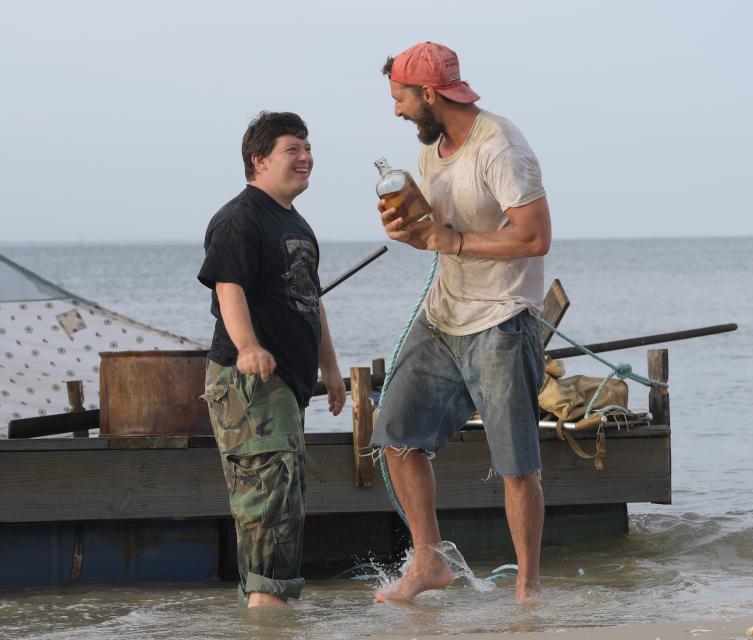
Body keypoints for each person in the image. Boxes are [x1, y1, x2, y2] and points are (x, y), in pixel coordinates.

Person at [371, 41, 552, 603]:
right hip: (443, 317)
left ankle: (527, 588)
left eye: (400, 98)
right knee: (395, 434)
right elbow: (438, 229)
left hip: (502, 321)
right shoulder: (431, 150)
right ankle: (428, 561)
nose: (396, 111)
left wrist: (452, 240)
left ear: (428, 94)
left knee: (516, 466)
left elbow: (535, 237)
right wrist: (412, 228)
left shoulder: (501, 147)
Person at [197, 111, 346, 607]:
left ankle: (274, 604)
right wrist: (248, 347)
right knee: (266, 494)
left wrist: (331, 369)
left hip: (287, 383)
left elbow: (311, 299)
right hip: (250, 383)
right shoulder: (241, 217)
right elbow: (227, 286)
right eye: (292, 150)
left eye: (307, 148)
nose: (306, 158)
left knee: (286, 493)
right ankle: (266, 607)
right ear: (259, 160)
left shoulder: (295, 222)